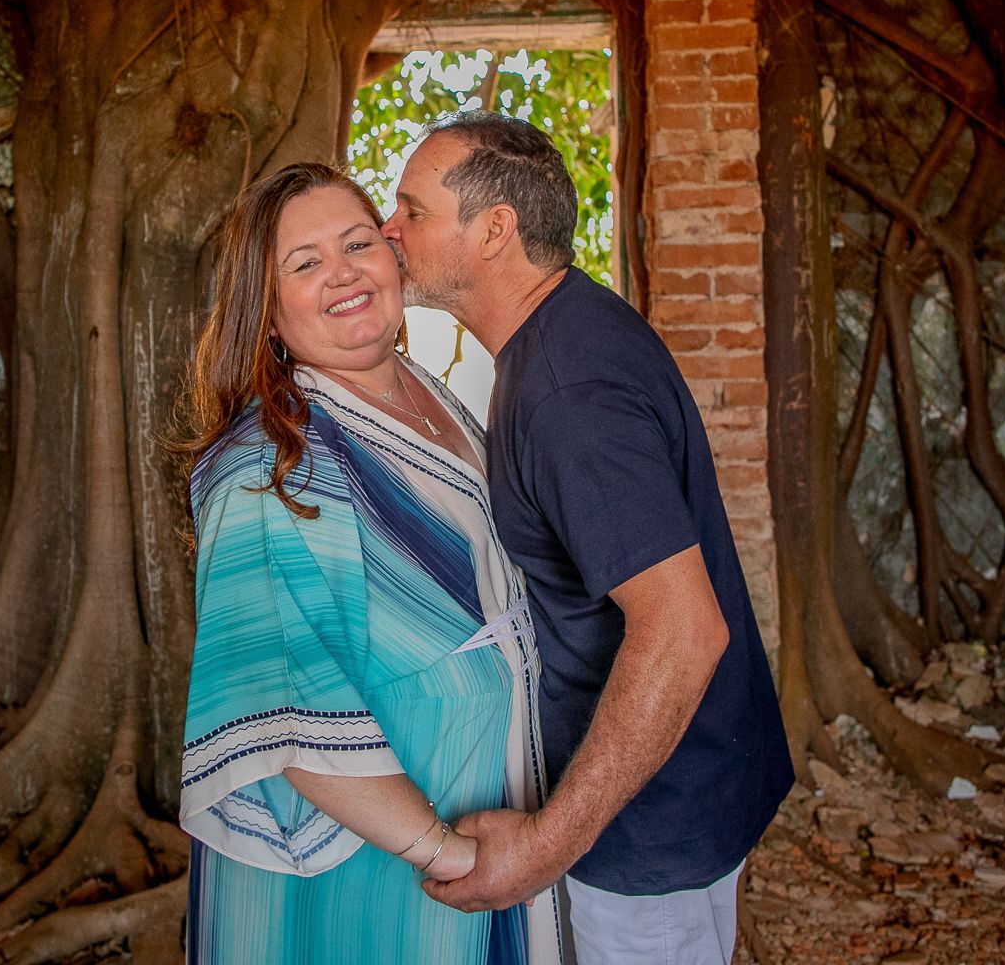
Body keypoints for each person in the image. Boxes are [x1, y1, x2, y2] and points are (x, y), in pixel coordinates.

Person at [380, 114, 793, 964]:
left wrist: (542, 847)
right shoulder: (569, 329)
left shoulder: (568, 391)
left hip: (648, 825)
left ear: (494, 229)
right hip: (690, 785)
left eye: (412, 210)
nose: (390, 231)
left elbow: (683, 631)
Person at [176, 161, 567, 965]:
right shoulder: (267, 468)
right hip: (380, 854)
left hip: (496, 792)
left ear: (394, 258)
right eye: (305, 262)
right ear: (270, 312)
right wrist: (444, 853)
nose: (343, 273)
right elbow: (281, 708)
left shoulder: (436, 394)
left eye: (358, 243)